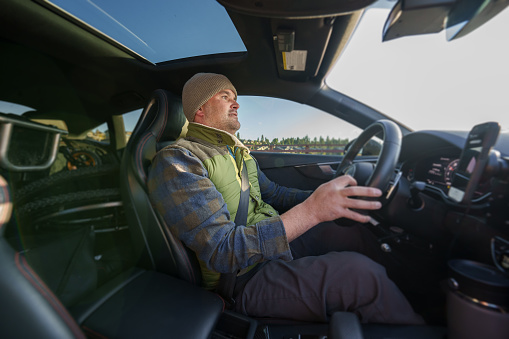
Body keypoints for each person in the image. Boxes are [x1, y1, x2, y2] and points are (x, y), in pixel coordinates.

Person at [148, 73, 424, 324]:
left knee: (352, 234)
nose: (236, 104)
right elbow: (224, 252)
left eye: (235, 97)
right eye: (225, 97)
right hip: (241, 278)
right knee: (361, 277)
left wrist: (326, 201)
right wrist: (313, 211)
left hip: (273, 247)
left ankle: (418, 297)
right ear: (200, 109)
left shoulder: (240, 155)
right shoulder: (178, 161)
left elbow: (276, 194)